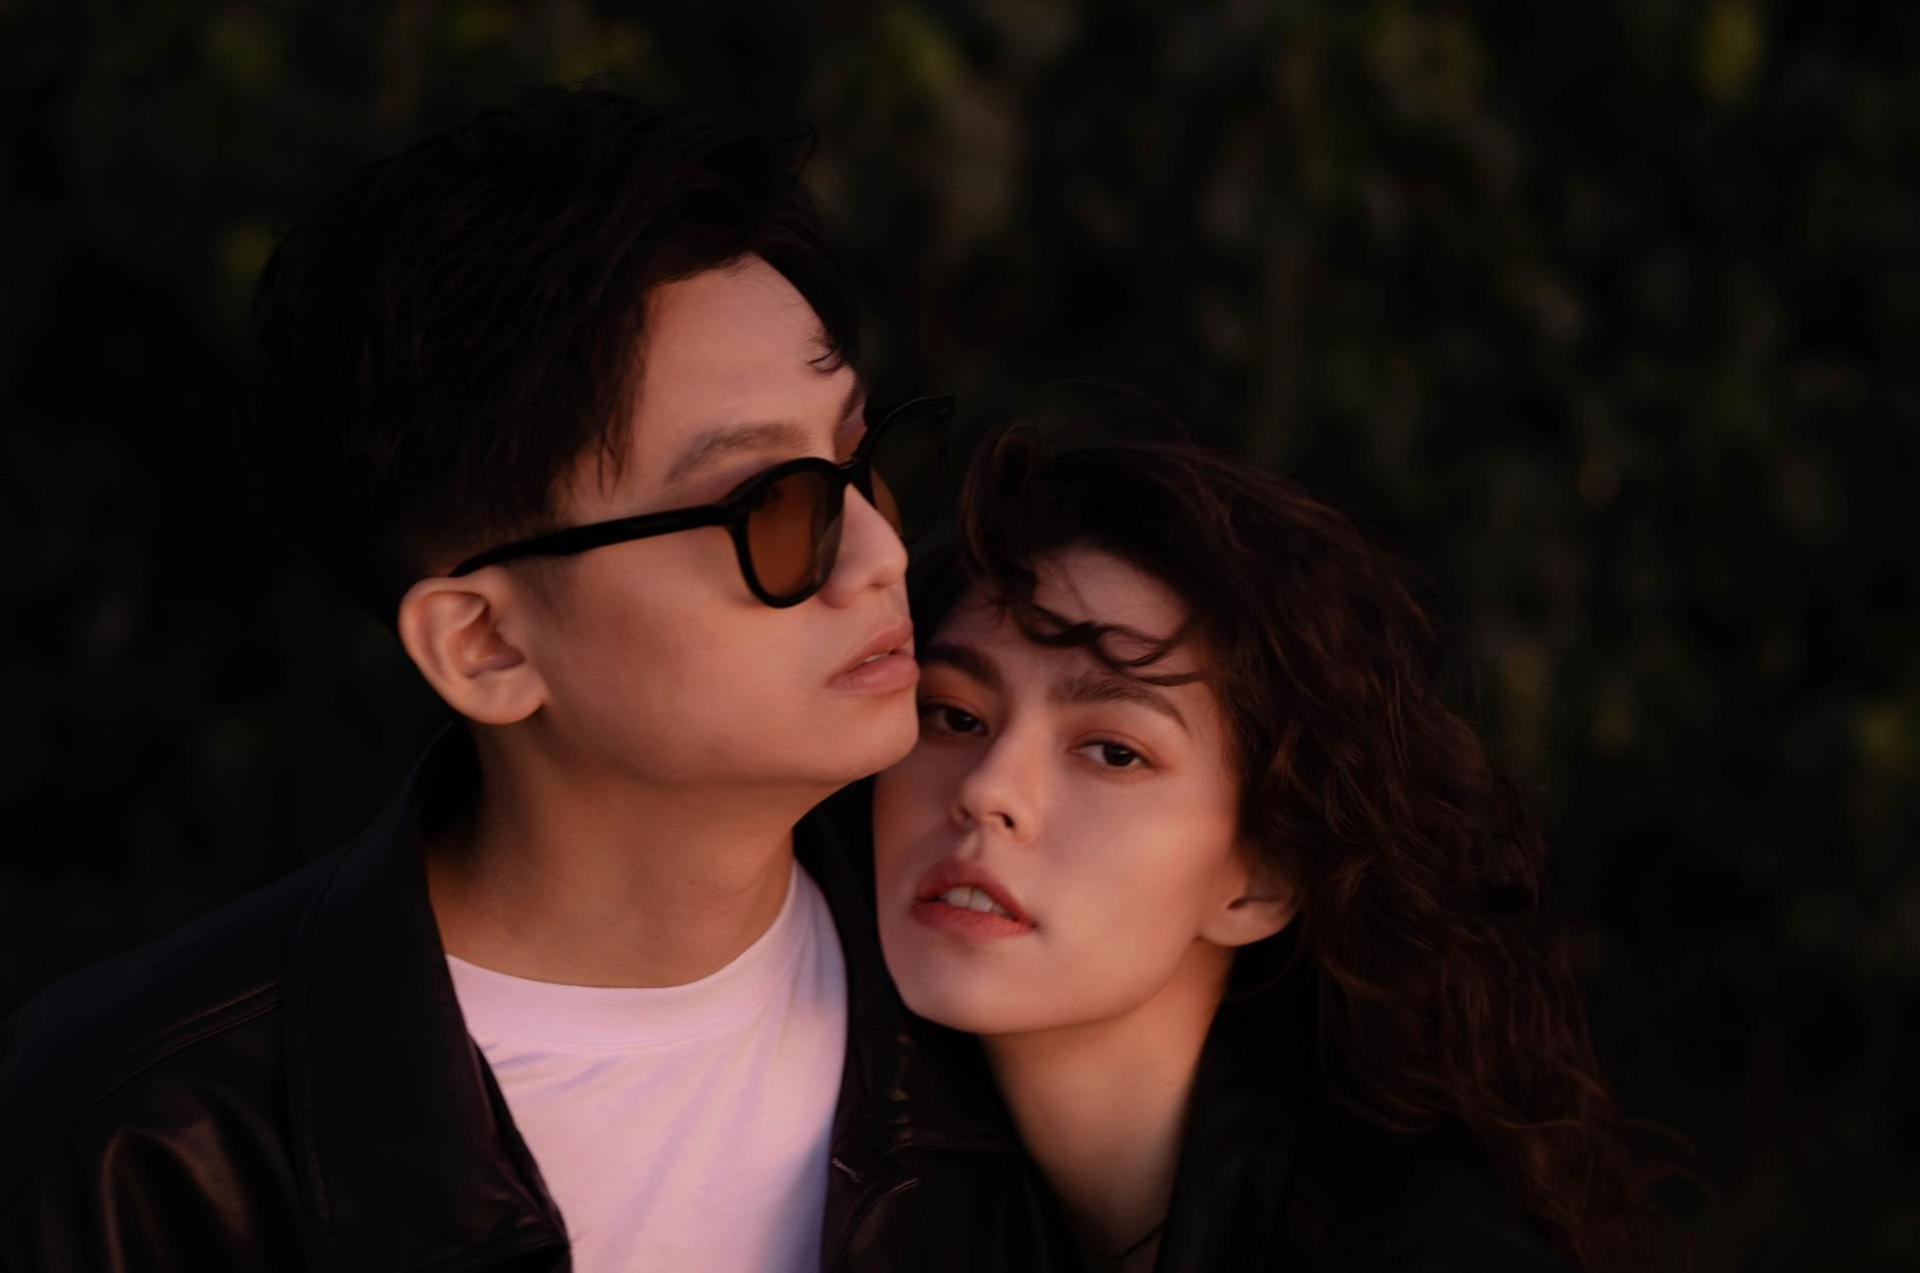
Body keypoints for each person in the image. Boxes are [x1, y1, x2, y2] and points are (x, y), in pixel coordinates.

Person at [0, 86, 1000, 1273]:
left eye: (858, 455)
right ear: (485, 645)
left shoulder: (1019, 982)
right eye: (774, 507)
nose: (882, 555)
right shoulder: (136, 1153)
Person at [872, 424, 1672, 1271]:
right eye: (954, 715)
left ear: (1261, 878)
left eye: (1113, 751)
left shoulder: (1418, 1252)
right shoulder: (873, 1157)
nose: (988, 789)